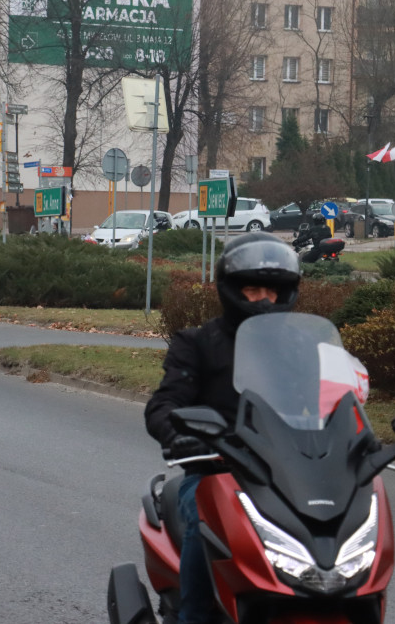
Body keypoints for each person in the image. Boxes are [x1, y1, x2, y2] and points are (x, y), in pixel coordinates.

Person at [144, 232, 301, 624]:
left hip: (293, 477)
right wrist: (179, 434)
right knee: (205, 522)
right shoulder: (196, 343)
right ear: (232, 290)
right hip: (217, 472)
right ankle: (196, 616)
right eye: (252, 288)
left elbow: (337, 398)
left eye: (271, 289)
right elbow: (165, 403)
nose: (263, 298)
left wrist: (358, 437)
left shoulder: (303, 346)